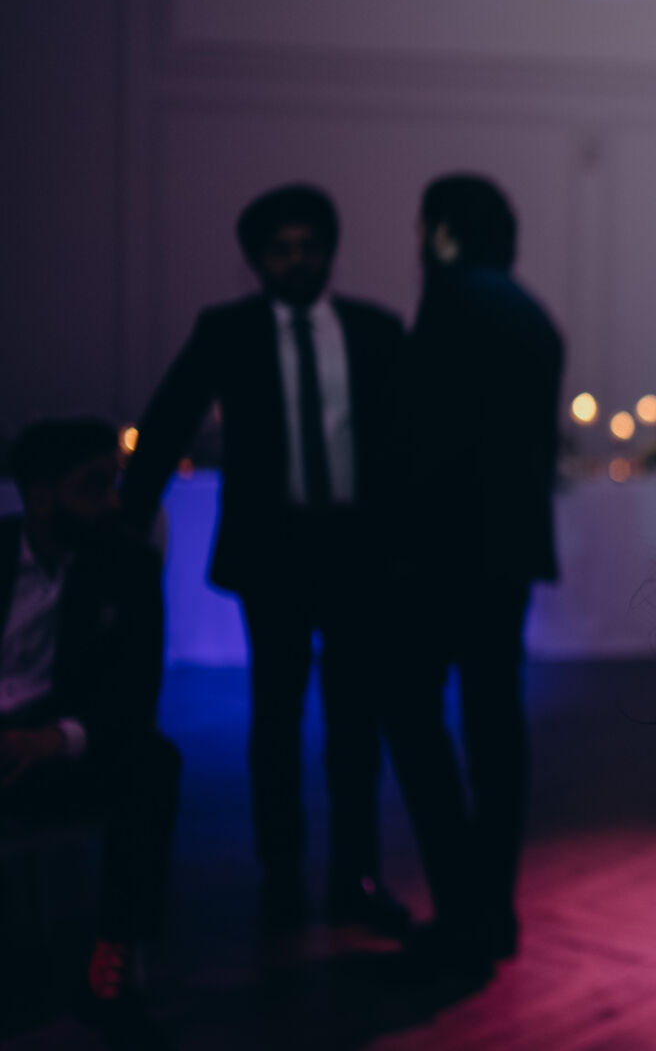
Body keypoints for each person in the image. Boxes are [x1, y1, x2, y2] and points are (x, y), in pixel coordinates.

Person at [120, 183, 410, 937]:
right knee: (275, 717)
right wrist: (124, 526)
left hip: (356, 549)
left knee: (355, 722)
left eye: (308, 245)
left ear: (329, 250)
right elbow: (168, 422)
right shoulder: (227, 330)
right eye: (281, 249)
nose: (296, 260)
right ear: (256, 259)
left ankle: (354, 876)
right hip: (273, 551)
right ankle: (280, 874)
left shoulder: (375, 329)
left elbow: (411, 439)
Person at [385, 173, 562, 966]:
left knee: (412, 716)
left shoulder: (452, 298)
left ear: (442, 230)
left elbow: (426, 439)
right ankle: (493, 909)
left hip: (440, 554)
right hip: (506, 553)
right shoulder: (531, 312)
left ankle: (462, 905)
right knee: (495, 728)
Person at [2, 419, 180, 1037]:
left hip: (60, 744)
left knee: (153, 764)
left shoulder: (128, 563)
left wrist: (57, 738)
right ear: (40, 497)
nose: (112, 502)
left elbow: (135, 694)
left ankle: (112, 966)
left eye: (113, 484)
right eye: (93, 486)